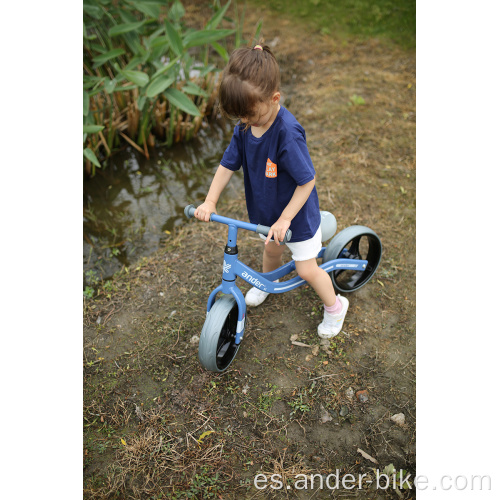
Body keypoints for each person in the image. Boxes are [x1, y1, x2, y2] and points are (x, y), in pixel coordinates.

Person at [194, 44, 348, 339]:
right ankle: (265, 282)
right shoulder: (244, 126)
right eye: (241, 117)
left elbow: (307, 182)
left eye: (250, 116)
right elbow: (227, 165)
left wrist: (286, 219)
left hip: (295, 217)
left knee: (305, 269)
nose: (245, 123)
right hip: (268, 213)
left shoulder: (286, 133)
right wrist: (210, 200)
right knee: (271, 249)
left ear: (274, 99)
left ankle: (335, 306)